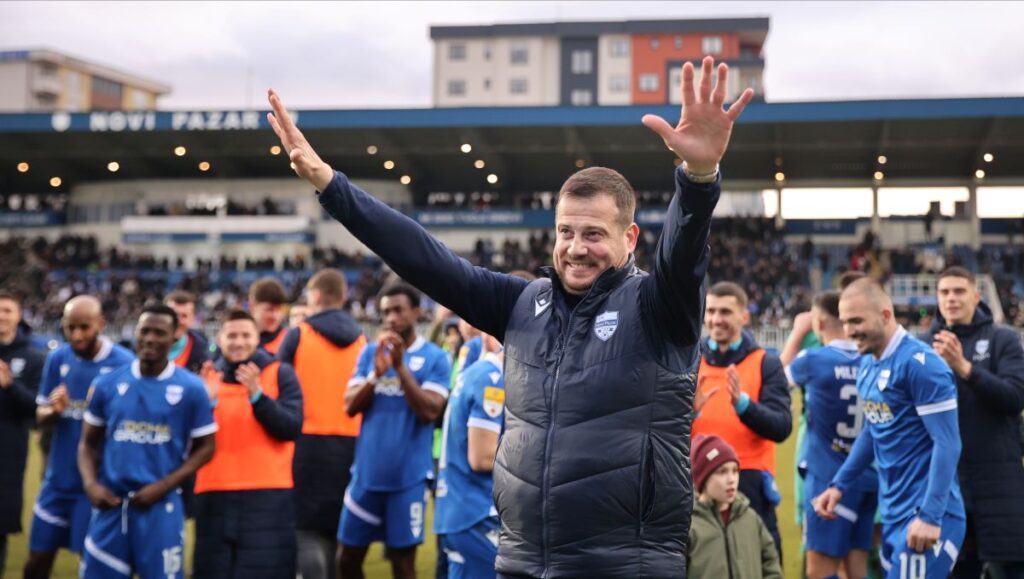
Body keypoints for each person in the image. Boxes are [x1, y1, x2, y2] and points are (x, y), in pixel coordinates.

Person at [268, 54, 754, 577]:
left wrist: (698, 178)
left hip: (624, 564)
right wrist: (330, 185)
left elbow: (684, 255)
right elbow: (424, 257)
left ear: (629, 238)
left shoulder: (657, 307)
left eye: (594, 233)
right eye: (566, 231)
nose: (575, 247)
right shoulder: (523, 304)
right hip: (522, 558)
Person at [815, 278, 965, 579]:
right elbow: (873, 430)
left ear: (885, 315)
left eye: (857, 320)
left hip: (926, 514)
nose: (849, 331)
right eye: (845, 322)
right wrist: (838, 485)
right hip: (895, 513)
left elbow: (947, 443)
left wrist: (931, 516)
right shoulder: (869, 363)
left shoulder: (921, 364)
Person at [78, 303, 217, 578]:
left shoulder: (191, 389)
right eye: (145, 331)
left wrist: (163, 485)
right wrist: (91, 485)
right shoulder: (107, 385)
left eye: (159, 332)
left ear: (174, 336)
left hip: (161, 508)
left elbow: (207, 447)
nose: (150, 339)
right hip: (111, 507)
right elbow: (87, 444)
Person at [337, 282, 451, 579]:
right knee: (346, 559)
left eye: (398, 310)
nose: (391, 318)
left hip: (407, 480)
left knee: (402, 563)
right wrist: (376, 374)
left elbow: (429, 411)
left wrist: (400, 369)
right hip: (366, 476)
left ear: (416, 312)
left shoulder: (435, 358)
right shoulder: (370, 354)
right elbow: (349, 406)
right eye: (386, 312)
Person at [25, 296, 134, 579]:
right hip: (58, 481)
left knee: (91, 565)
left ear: (101, 324)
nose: (76, 335)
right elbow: (40, 414)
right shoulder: (58, 358)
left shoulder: (124, 364)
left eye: (84, 327)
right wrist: (52, 410)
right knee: (37, 560)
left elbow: (130, 426)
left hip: (97, 486)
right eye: (69, 327)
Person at [926, 266, 1024, 578]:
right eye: (945, 292)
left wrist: (964, 368)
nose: (951, 298)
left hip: (998, 482)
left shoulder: (1002, 339)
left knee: (1007, 569)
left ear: (976, 296)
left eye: (959, 291)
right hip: (945, 482)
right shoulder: (923, 345)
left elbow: (1014, 398)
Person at [193, 309, 304, 579]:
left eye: (245, 335)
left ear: (257, 338)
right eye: (231, 335)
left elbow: (290, 428)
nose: (238, 342)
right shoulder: (206, 379)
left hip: (267, 495)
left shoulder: (280, 374)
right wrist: (205, 403)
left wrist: (257, 396)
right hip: (214, 494)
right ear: (220, 339)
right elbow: (188, 441)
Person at [277, 269, 366, 579]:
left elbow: (279, 388)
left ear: (314, 297)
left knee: (308, 530)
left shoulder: (299, 334)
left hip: (308, 444)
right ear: (342, 298)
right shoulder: (360, 340)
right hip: (352, 444)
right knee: (339, 530)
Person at [693, 281, 791, 557]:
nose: (715, 319)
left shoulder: (764, 363)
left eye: (725, 312)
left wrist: (744, 406)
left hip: (748, 484)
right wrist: (689, 413)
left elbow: (782, 426)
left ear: (744, 317)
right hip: (697, 484)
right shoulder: (690, 359)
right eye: (711, 311)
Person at [786, 290, 877, 579]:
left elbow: (772, 381)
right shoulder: (872, 360)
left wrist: (797, 335)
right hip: (867, 476)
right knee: (856, 569)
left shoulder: (813, 359)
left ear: (819, 323)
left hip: (828, 479)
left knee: (820, 571)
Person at [435, 331, 505, 579]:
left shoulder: (478, 373)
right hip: (476, 513)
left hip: (461, 509)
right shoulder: (492, 378)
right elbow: (482, 457)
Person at [687, 434, 782, 579]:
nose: (731, 479)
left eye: (735, 470)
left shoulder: (750, 518)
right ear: (702, 478)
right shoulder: (689, 527)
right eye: (722, 472)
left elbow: (771, 564)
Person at [0, 290, 46, 571]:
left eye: (7, 310)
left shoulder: (32, 358)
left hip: (8, 453)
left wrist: (10, 385)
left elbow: (37, 410)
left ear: (18, 316)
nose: (1, 316)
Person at [164, 290, 211, 373]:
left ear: (192, 319)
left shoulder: (202, 351)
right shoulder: (143, 346)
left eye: (184, 316)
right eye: (173, 315)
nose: (178, 321)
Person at [248, 277, 290, 355]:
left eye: (279, 310)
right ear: (252, 306)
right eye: (269, 309)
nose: (275, 316)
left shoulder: (289, 341)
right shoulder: (236, 340)